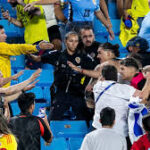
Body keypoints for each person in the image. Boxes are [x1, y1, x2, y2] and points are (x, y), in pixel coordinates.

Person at [29, 31, 95, 121]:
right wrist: (28, 51)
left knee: (86, 119)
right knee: (52, 120)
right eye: (71, 41)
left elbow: (93, 72)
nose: (74, 44)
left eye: (76, 41)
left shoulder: (84, 58)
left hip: (78, 93)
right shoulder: (57, 55)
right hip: (61, 93)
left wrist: (87, 85)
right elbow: (37, 58)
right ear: (65, 41)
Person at [92, 65, 150, 149]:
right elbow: (143, 96)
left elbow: (100, 80)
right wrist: (148, 78)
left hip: (98, 129)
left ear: (102, 76)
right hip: (119, 133)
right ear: (116, 76)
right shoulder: (124, 89)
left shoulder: (97, 86)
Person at [4, 0, 50, 69]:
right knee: (30, 71)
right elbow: (21, 24)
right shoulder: (18, 7)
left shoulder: (31, 1)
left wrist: (22, 3)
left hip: (40, 41)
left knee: (29, 70)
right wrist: (10, 18)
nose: (8, 1)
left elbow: (38, 12)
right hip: (29, 44)